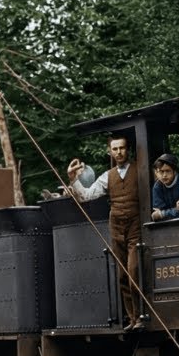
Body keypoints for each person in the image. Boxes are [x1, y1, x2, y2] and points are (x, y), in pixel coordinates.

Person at [68, 135, 144, 331]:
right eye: (115, 149)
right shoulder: (107, 176)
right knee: (122, 276)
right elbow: (86, 196)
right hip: (116, 228)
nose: (119, 152)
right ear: (110, 152)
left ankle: (142, 316)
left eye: (122, 148)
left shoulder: (140, 170)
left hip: (136, 227)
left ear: (128, 150)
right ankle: (132, 319)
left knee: (134, 272)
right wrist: (73, 179)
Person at [150, 153, 179, 221]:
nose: (164, 175)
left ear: (174, 171)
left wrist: (163, 214)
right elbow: (156, 216)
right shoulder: (157, 187)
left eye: (167, 171)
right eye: (161, 171)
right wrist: (176, 210)